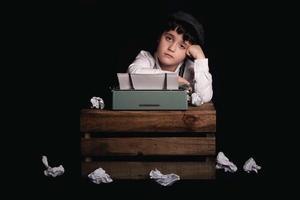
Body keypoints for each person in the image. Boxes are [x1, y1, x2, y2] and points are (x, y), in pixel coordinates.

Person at [127, 11, 213, 106]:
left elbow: (204, 96)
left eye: (182, 46)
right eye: (169, 38)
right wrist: (172, 79)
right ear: (159, 37)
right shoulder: (146, 57)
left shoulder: (189, 68)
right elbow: (132, 73)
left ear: (188, 53)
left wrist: (200, 58)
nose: (171, 48)